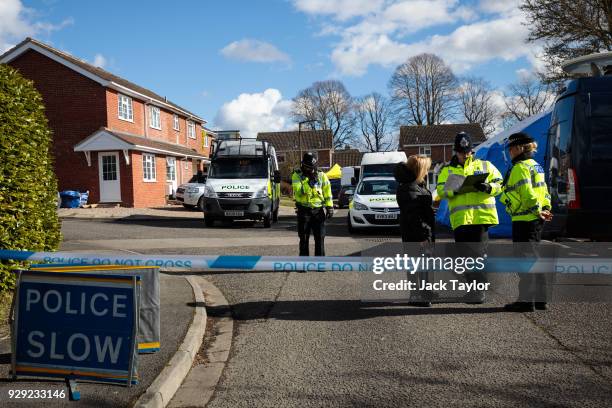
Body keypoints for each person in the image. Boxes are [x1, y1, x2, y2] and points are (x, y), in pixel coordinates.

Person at [436, 132, 503, 303]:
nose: (465, 155)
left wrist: (488, 187)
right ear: (455, 151)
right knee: (464, 257)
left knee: (478, 255)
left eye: (467, 152)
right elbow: (441, 191)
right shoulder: (447, 170)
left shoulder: (485, 165)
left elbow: (500, 184)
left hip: (481, 218)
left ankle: (478, 291)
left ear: (472, 151)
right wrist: (455, 189)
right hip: (461, 220)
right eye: (461, 152)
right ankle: (474, 288)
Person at [501, 132, 552, 312]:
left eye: (511, 149)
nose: (509, 153)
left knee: (524, 260)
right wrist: (545, 209)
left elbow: (528, 194)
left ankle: (525, 301)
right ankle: (540, 300)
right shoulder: (536, 166)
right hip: (536, 219)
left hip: (524, 218)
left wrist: (536, 210)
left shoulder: (520, 167)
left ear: (518, 148)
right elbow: (544, 191)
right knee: (534, 258)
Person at [394, 155, 435, 307]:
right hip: (416, 233)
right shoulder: (409, 188)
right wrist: (423, 235)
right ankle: (418, 294)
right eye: (426, 169)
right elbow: (414, 216)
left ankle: (423, 292)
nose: (427, 171)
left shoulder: (416, 185)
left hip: (420, 231)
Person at [292, 152, 334, 256]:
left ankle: (319, 262)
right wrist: (309, 182)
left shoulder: (321, 175)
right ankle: (304, 263)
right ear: (302, 165)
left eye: (311, 167)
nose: (309, 169)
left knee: (320, 237)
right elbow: (298, 191)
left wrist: (330, 207)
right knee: (304, 238)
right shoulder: (297, 175)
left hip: (318, 211)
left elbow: (327, 192)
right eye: (306, 167)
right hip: (303, 210)